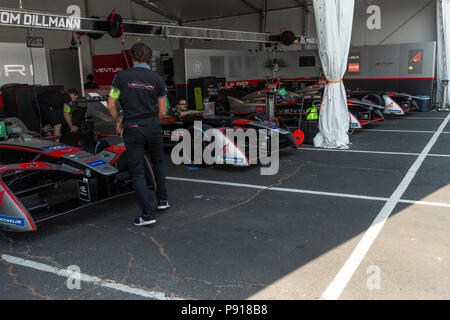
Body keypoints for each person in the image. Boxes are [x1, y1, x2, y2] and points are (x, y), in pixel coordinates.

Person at [107, 42, 169, 227]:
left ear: (132, 57)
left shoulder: (120, 77)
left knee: (138, 172)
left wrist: (118, 120)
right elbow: (163, 111)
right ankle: (163, 201)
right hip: (153, 126)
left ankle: (147, 215)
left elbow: (111, 104)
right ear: (149, 58)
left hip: (132, 127)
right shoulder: (158, 79)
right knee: (158, 162)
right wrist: (151, 119)